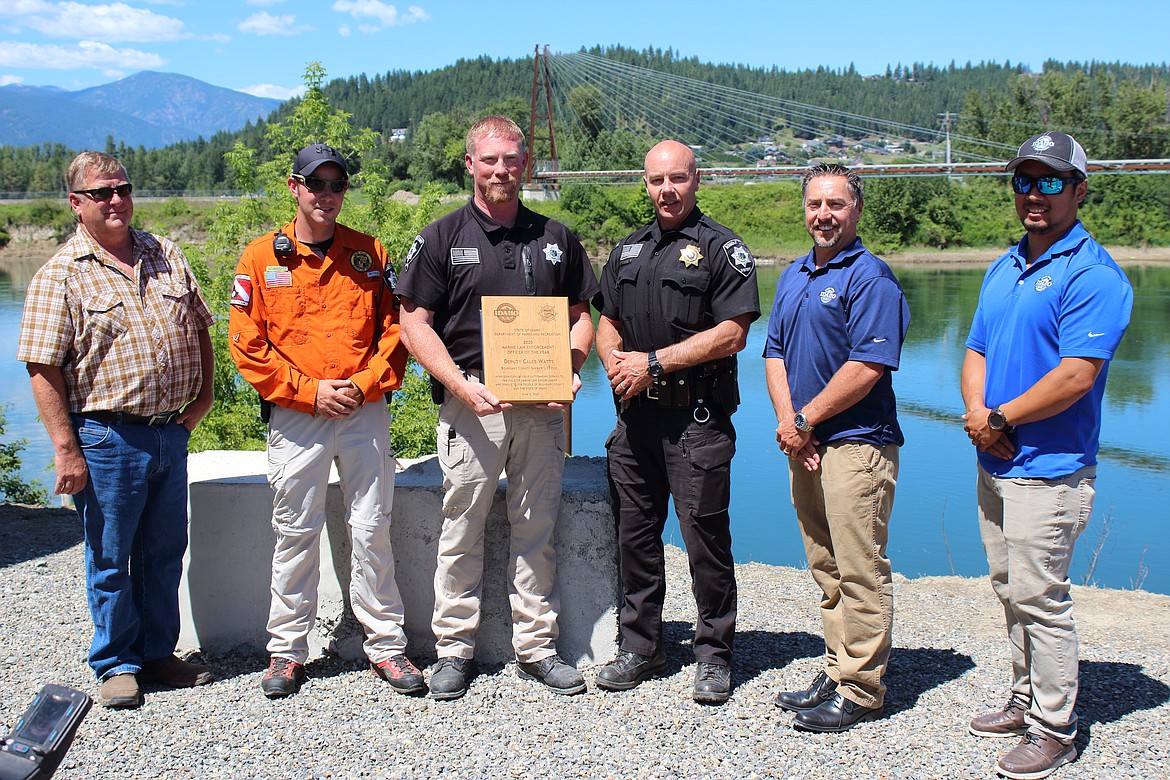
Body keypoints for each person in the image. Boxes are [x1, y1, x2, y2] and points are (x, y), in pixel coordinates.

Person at [397, 116, 598, 700]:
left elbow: (581, 314)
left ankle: (537, 648)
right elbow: (413, 325)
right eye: (489, 160)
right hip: (473, 403)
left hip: (541, 406)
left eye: (511, 160)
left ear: (525, 161)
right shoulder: (439, 238)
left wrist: (571, 364)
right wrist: (461, 386)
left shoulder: (556, 235)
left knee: (537, 529)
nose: (501, 170)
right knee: (461, 529)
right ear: (470, 164)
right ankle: (454, 651)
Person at [17, 151, 216, 709]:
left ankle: (157, 654)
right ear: (77, 204)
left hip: (168, 433)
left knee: (163, 551)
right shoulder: (60, 273)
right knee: (110, 555)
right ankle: (115, 664)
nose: (115, 201)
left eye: (122, 189)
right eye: (101, 192)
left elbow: (200, 326)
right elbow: (41, 366)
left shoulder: (164, 252)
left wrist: (202, 398)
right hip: (106, 438)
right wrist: (66, 450)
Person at [961, 132, 1132, 780]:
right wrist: (981, 420)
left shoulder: (1095, 274)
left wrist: (1000, 417)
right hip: (995, 459)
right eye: (1024, 181)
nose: (1035, 194)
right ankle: (1024, 697)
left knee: (1041, 596)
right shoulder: (1005, 266)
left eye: (1051, 182)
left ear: (1080, 190)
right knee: (1010, 590)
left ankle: (1055, 729)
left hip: (1050, 470)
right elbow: (975, 350)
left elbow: (1075, 377)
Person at [229, 143, 421, 699]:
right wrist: (310, 393)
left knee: (372, 528)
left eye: (337, 186)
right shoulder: (261, 259)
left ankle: (385, 647)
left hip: (364, 410)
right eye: (317, 185)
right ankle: (287, 652)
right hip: (297, 415)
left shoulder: (369, 252)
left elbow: (396, 331)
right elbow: (247, 346)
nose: (328, 196)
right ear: (295, 187)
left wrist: (361, 387)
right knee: (295, 533)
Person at [593, 140, 759, 704]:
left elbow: (734, 332)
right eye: (657, 180)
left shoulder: (721, 249)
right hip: (635, 423)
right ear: (645, 184)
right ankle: (641, 646)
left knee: (704, 540)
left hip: (696, 424)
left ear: (696, 180)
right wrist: (614, 361)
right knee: (635, 539)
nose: (667, 190)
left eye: (678, 179)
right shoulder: (628, 251)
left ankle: (713, 654)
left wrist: (654, 363)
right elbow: (606, 321)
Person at [763, 162, 909, 732]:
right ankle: (837, 665)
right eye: (814, 205)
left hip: (856, 443)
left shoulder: (871, 278)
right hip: (806, 441)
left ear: (857, 210)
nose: (823, 215)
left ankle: (864, 690)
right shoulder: (796, 274)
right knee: (825, 565)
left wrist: (804, 420)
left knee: (859, 567)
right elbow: (773, 353)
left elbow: (868, 366)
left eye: (836, 205)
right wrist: (790, 424)